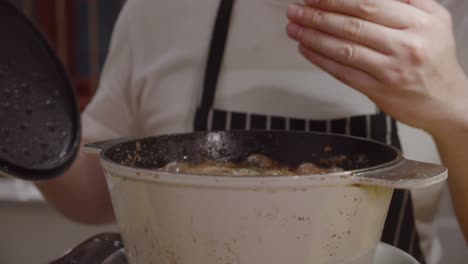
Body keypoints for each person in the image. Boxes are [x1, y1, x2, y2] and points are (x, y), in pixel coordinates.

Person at [36, 0, 468, 263]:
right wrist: (28, 129)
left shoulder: (448, 18)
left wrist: (454, 107)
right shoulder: (157, 11)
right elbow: (96, 192)